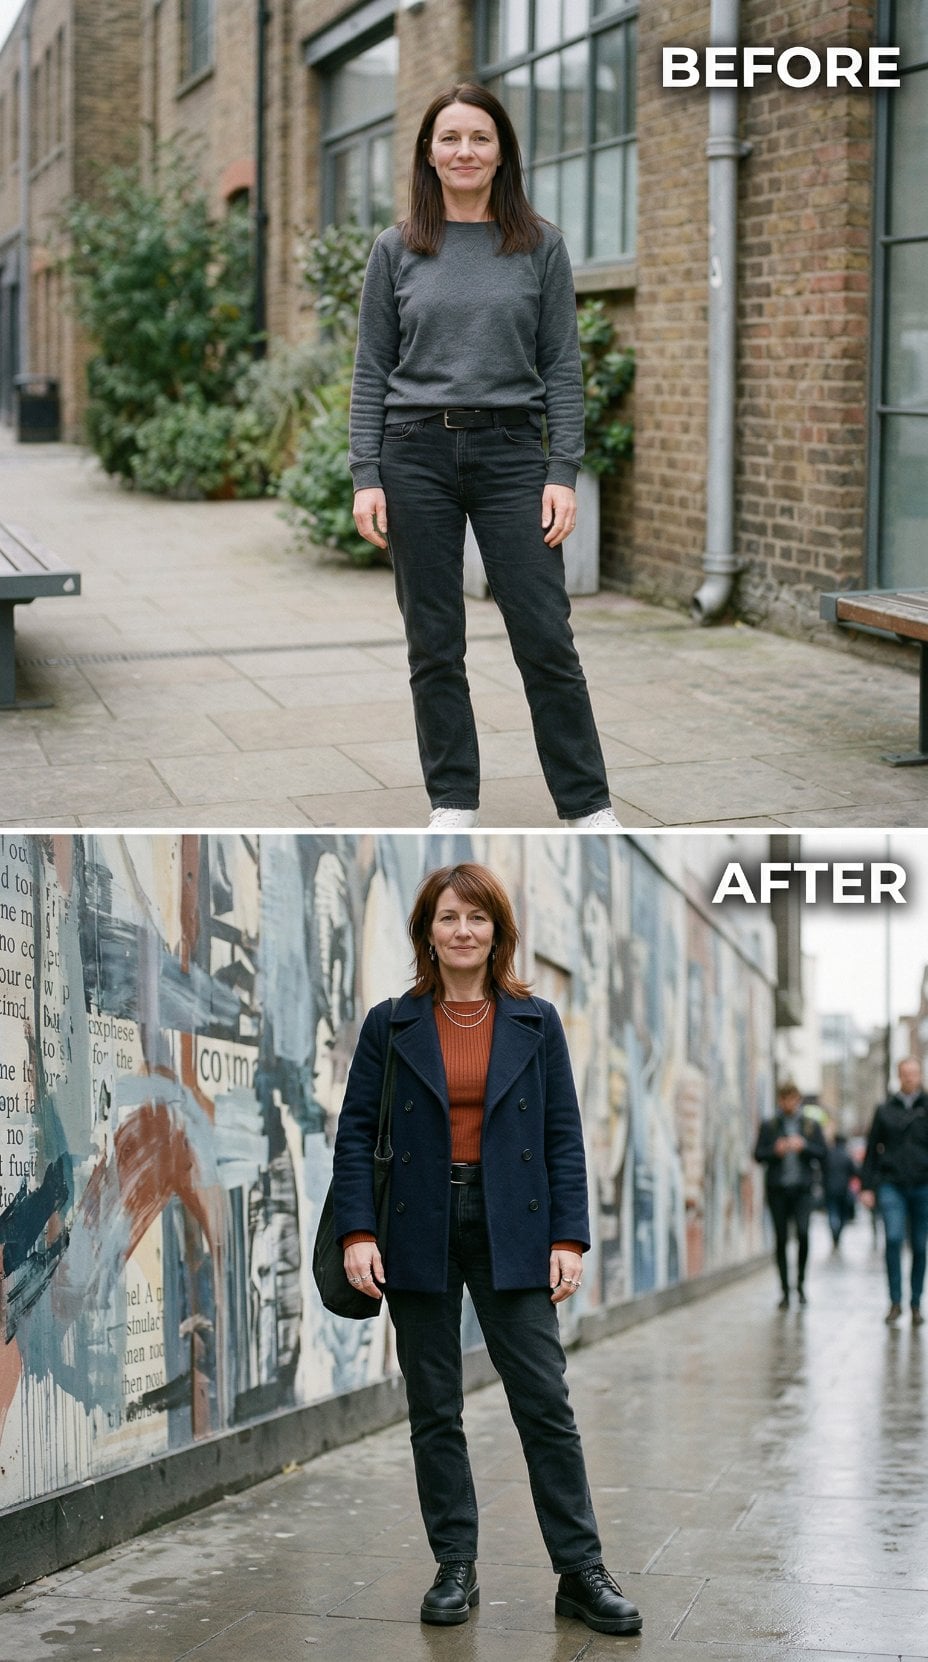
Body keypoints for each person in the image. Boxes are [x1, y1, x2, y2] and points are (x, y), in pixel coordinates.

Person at [332, 862, 642, 1636]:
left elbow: (564, 1134)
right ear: (427, 933)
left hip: (515, 1225)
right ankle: (455, 1567)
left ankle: (580, 1571)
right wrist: (357, 1231)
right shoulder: (390, 1022)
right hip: (417, 1225)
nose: (462, 931)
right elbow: (355, 1136)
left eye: (477, 918)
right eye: (447, 918)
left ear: (498, 931)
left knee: (545, 1402)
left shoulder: (535, 1021)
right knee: (433, 1407)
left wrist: (569, 1237)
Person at [348, 83, 621, 832]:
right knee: (433, 641)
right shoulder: (398, 247)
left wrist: (562, 471)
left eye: (480, 138)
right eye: (450, 139)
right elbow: (372, 368)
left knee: (544, 632)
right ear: (428, 154)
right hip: (414, 452)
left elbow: (562, 366)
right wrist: (365, 476)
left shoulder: (539, 244)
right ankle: (453, 800)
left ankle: (588, 806)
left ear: (502, 153)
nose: (464, 151)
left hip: (510, 454)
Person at [859, 1057, 928, 1325]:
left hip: (923, 1185)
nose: (910, 1078)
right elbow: (871, 1150)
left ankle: (915, 1303)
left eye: (914, 1073)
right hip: (892, 1185)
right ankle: (895, 1301)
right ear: (899, 1076)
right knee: (894, 1239)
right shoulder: (885, 1110)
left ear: (919, 1075)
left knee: (920, 1246)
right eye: (906, 1074)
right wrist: (866, 1186)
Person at [754, 1082, 827, 1309]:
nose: (789, 1104)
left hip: (802, 1190)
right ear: (780, 1101)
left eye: (792, 1099)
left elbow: (823, 1152)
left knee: (803, 1235)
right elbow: (758, 1154)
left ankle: (801, 1285)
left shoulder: (809, 1125)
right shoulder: (770, 1125)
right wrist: (775, 1151)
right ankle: (785, 1291)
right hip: (778, 1190)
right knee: (782, 1239)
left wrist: (803, 1146)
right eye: (784, 1099)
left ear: (798, 1100)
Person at [822, 1131, 859, 1248]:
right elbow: (855, 1171)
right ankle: (837, 1234)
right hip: (843, 1189)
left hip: (829, 1189)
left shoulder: (828, 1155)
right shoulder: (847, 1156)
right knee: (842, 1215)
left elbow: (823, 1171)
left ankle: (834, 1232)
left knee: (832, 1212)